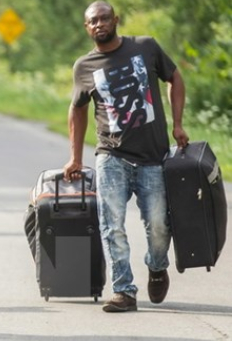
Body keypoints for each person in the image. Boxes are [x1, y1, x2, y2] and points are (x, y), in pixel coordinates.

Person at [62, 1, 189, 312]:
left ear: (116, 20)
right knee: (111, 225)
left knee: (158, 225)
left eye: (105, 18)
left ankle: (157, 268)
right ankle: (124, 291)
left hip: (152, 156)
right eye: (93, 21)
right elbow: (77, 109)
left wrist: (177, 124)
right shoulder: (84, 66)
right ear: (86, 27)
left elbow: (175, 79)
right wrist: (75, 157)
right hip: (111, 155)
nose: (99, 24)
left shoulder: (144, 47)